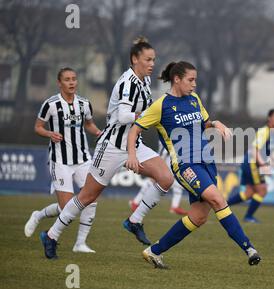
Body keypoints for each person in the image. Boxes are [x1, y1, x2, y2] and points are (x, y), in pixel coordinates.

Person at [39, 37, 174, 259]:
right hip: (111, 146)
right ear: (134, 59)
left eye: (154, 60)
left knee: (166, 178)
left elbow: (144, 113)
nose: (152, 64)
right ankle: (51, 235)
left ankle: (134, 221)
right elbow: (122, 116)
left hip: (134, 144)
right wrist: (148, 115)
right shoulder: (127, 82)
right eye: (148, 60)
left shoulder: (145, 81)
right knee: (87, 197)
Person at [126, 61, 261, 269]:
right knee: (218, 199)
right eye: (191, 80)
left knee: (198, 217)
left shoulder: (194, 99)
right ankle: (249, 248)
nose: (194, 84)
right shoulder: (161, 105)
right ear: (177, 79)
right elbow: (135, 129)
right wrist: (132, 155)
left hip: (207, 161)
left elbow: (203, 123)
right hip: (185, 164)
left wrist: (216, 124)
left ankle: (153, 252)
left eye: (195, 80)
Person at [25, 67, 102, 253]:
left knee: (91, 200)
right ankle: (38, 215)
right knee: (67, 208)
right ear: (59, 83)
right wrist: (49, 133)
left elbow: (89, 124)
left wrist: (100, 133)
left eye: (74, 79)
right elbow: (38, 127)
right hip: (60, 161)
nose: (72, 82)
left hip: (83, 159)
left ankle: (80, 244)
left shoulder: (84, 103)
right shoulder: (50, 104)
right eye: (67, 79)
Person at [227, 109, 274, 223]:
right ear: (269, 118)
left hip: (253, 164)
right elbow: (254, 150)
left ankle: (222, 206)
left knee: (249, 193)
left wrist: (271, 165)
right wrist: (263, 165)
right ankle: (248, 216)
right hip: (252, 163)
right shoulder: (264, 131)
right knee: (262, 190)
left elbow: (271, 153)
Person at [128, 141, 188, 216]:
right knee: (153, 180)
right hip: (165, 159)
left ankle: (175, 207)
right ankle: (135, 202)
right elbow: (163, 149)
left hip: (172, 158)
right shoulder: (168, 134)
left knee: (177, 183)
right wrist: (159, 162)